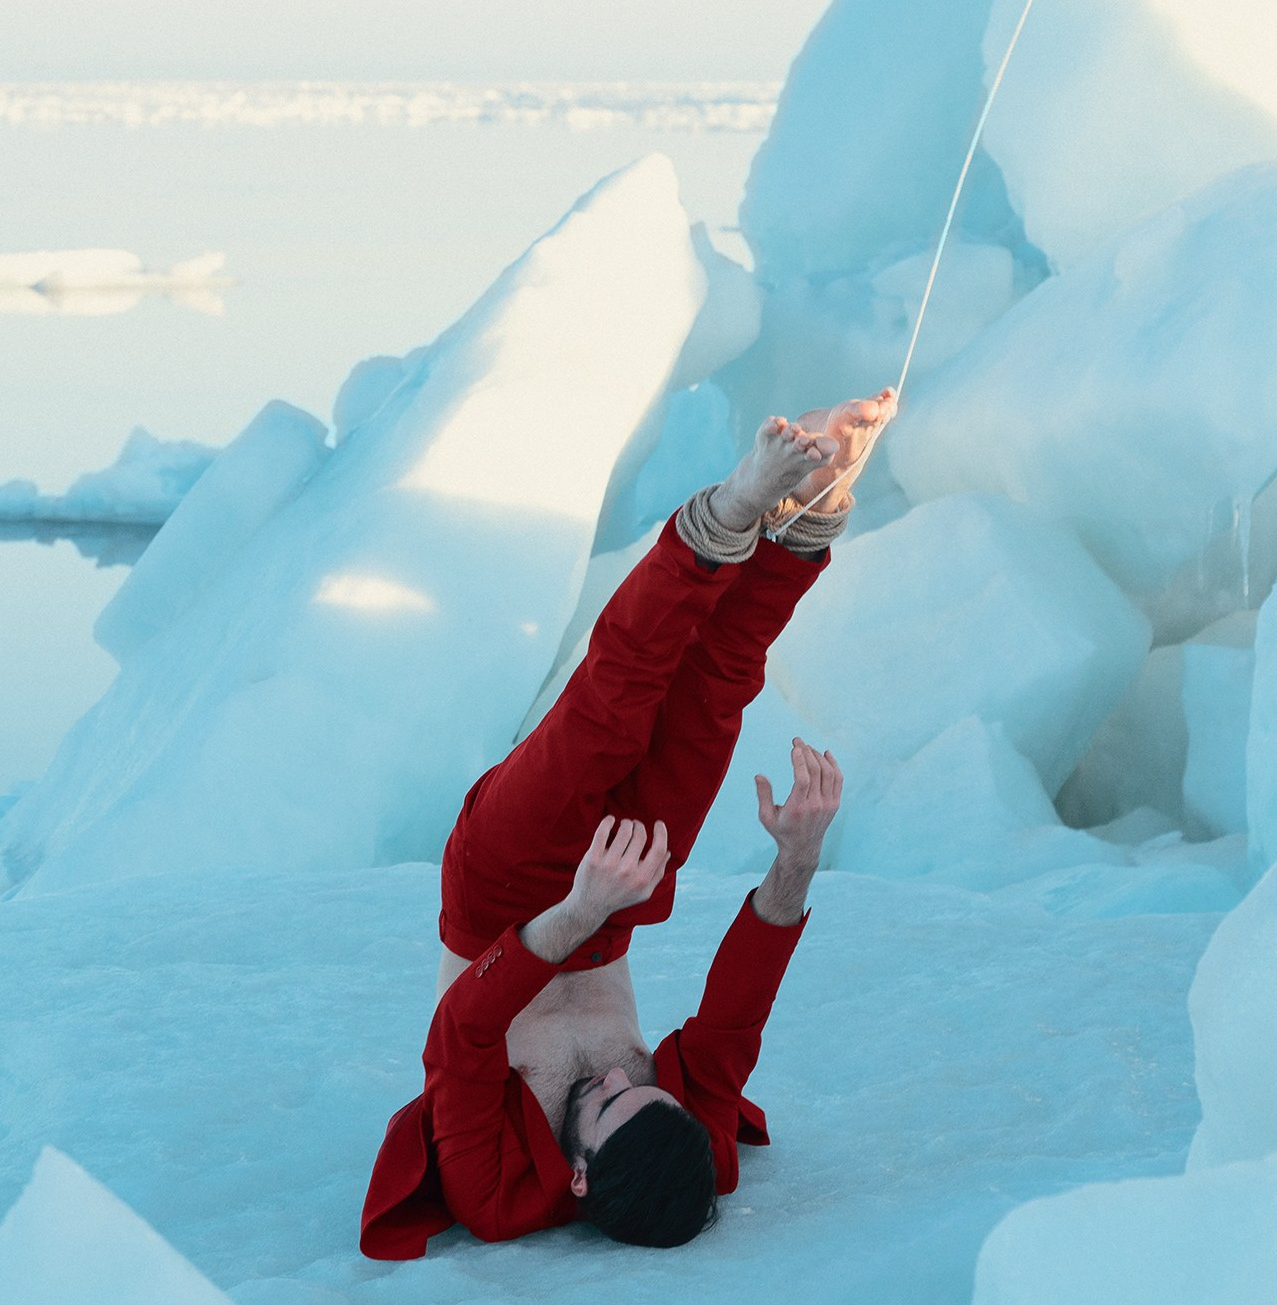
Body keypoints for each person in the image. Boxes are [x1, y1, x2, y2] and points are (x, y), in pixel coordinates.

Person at [360, 390, 895, 1260]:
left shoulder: (497, 1192)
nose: (622, 1074)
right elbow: (733, 1016)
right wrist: (797, 857)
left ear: (578, 1175)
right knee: (714, 694)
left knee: (607, 710)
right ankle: (813, 508)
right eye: (641, 1085)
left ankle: (724, 513)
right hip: (619, 895)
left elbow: (460, 1035)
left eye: (608, 1099)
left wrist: (574, 910)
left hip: (500, 894)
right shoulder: (691, 1149)